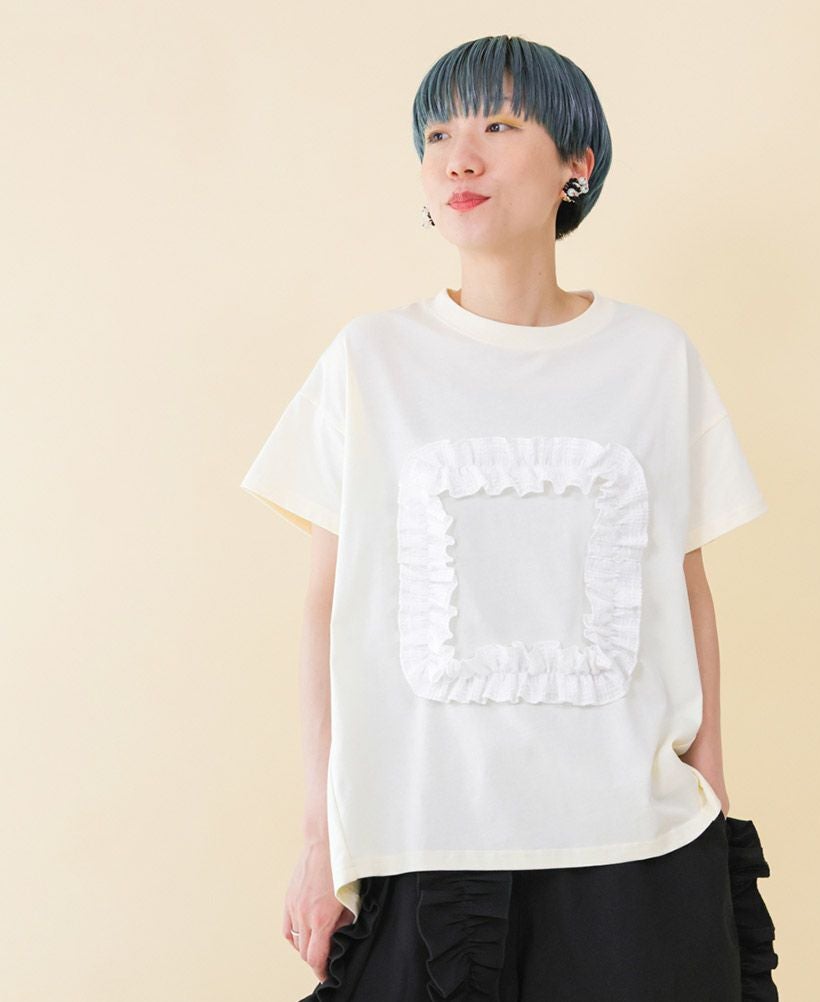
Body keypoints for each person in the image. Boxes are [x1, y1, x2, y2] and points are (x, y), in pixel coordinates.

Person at [241, 33, 780, 1002]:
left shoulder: (654, 360)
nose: (460, 157)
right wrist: (321, 840)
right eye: (437, 134)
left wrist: (713, 801)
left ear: (578, 164)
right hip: (427, 840)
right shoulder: (371, 362)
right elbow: (325, 607)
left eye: (497, 125)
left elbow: (687, 590)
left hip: (636, 847)